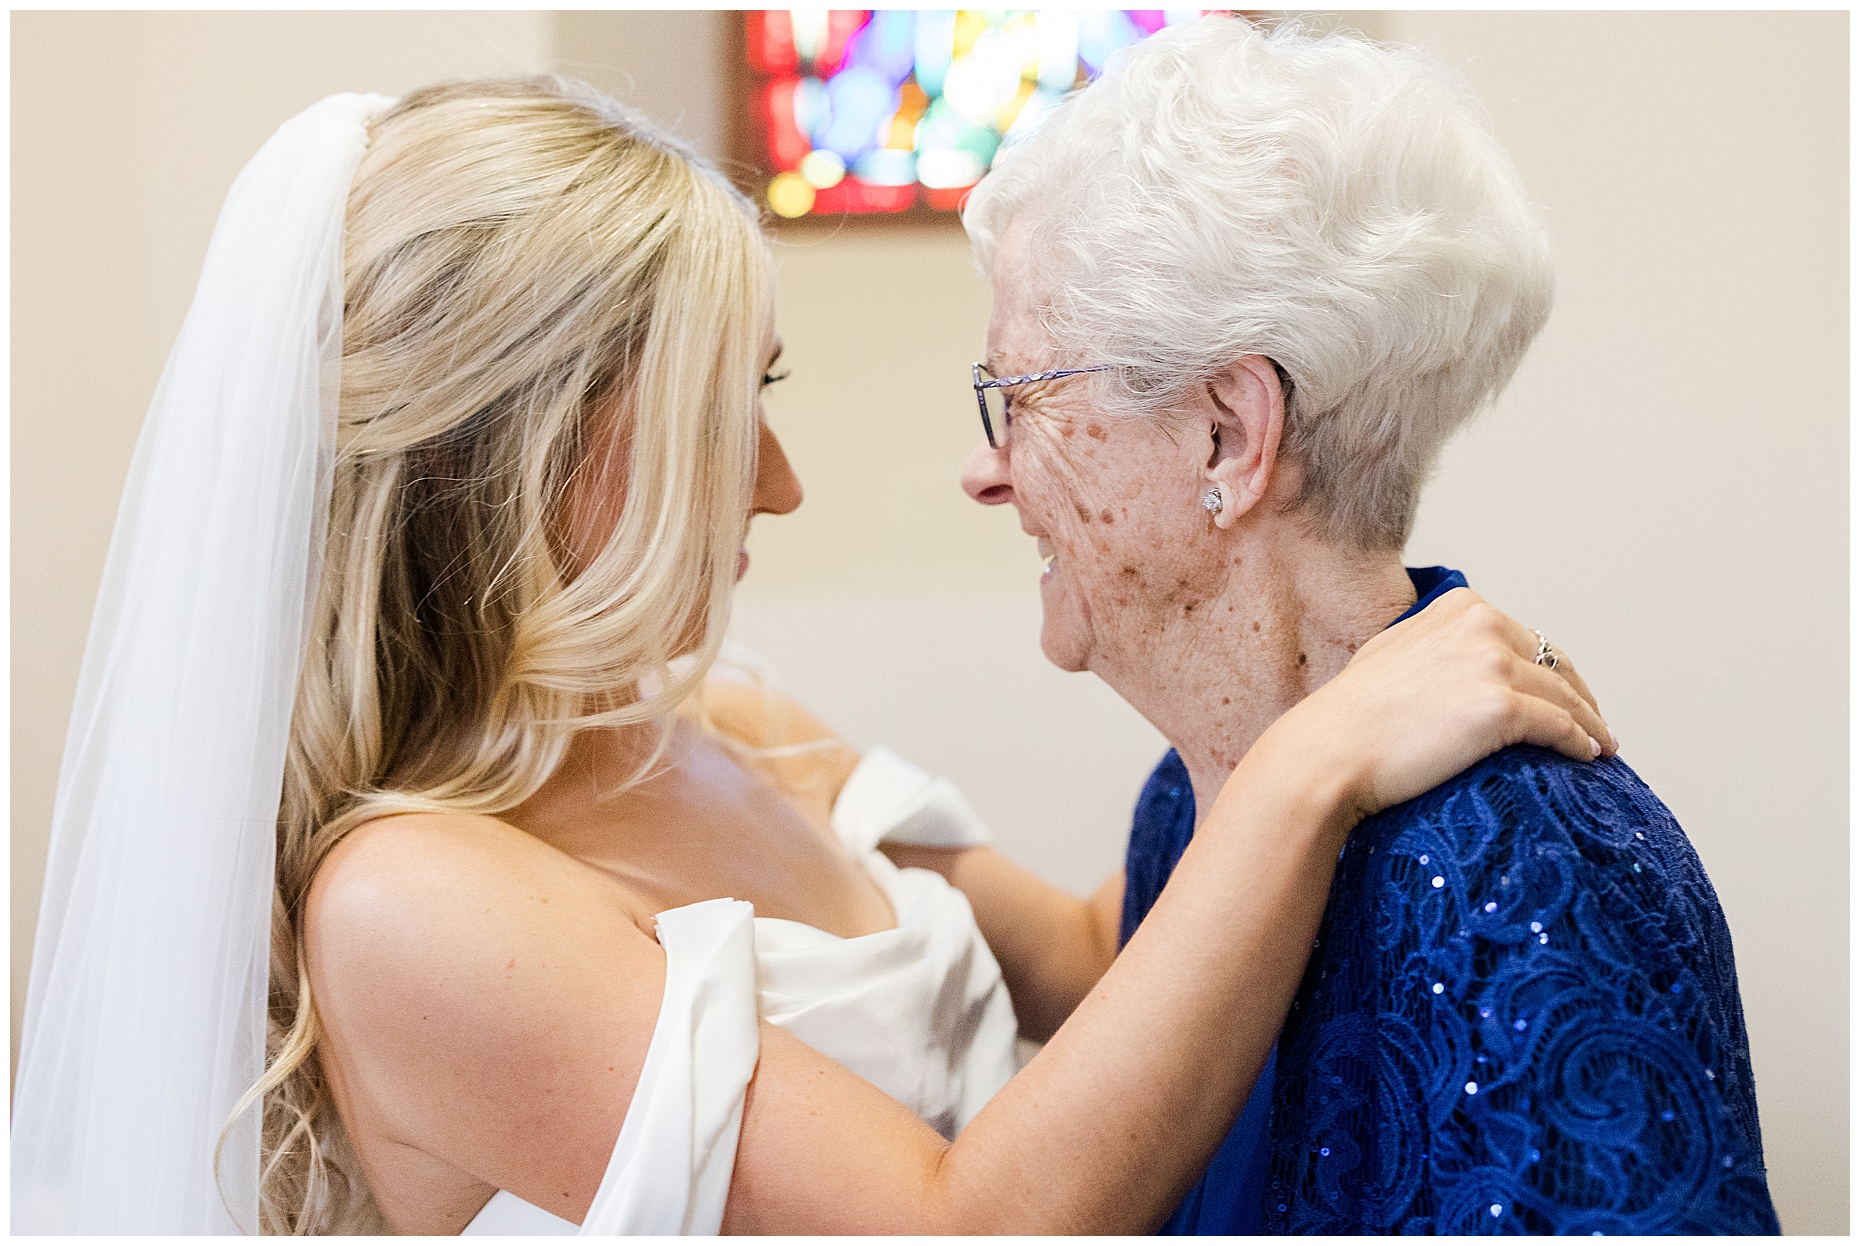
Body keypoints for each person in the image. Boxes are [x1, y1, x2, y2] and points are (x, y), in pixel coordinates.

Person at [9, 74, 1617, 1236]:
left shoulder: (729, 714)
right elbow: (961, 1223)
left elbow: (1091, 955)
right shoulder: (407, 903)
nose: (779, 479)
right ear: (542, 453)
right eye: (732, 412)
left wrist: (1259, 654)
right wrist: (1319, 765)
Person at [951, 16, 1779, 1234]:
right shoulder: (1192, 802)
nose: (984, 474)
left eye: (1015, 399)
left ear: (1230, 435)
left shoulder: (1536, 879)